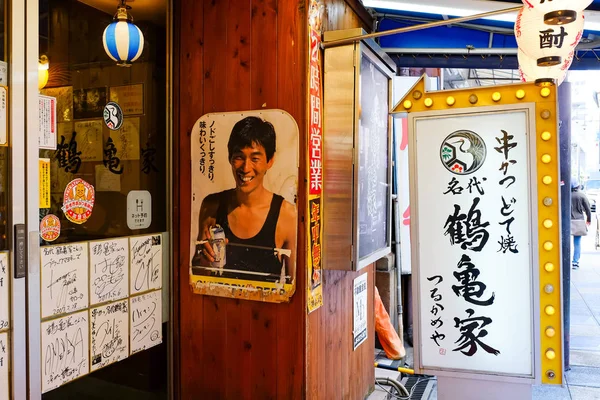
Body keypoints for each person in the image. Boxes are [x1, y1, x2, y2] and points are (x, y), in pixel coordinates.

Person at [192, 116, 297, 283]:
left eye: (255, 158)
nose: (246, 168)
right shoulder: (211, 206)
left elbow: (294, 287)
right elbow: (197, 277)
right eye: (239, 157)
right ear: (230, 158)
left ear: (269, 161)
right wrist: (205, 260)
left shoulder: (287, 215)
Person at [571, 178, 592, 269]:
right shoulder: (582, 195)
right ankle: (575, 262)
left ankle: (564, 260)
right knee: (577, 243)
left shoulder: (565, 195)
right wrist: (589, 219)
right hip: (579, 221)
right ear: (578, 186)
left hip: (566, 221)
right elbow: (588, 209)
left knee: (564, 243)